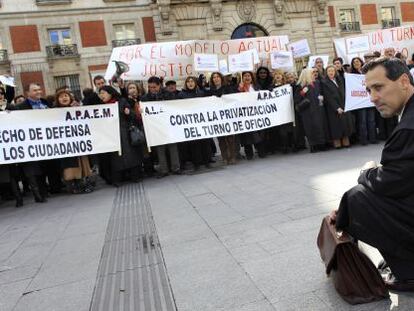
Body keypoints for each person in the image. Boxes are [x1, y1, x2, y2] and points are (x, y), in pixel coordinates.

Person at [330, 58, 414, 291]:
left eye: (379, 87)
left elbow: (391, 184)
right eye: (368, 90)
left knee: (357, 199)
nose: (373, 97)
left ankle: (409, 271)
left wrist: (367, 172)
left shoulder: (409, 127)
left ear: (404, 81)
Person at [9, 83, 49, 202]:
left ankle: (45, 190)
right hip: (30, 143)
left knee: (44, 167)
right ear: (28, 93)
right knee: (34, 170)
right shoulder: (20, 107)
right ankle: (38, 194)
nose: (38, 92)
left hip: (46, 142)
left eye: (39, 89)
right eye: (35, 90)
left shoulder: (45, 103)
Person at [98, 85, 141, 186]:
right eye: (100, 93)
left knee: (131, 156)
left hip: (124, 132)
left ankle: (135, 176)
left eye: (103, 93)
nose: (101, 95)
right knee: (115, 159)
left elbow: (133, 116)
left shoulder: (121, 101)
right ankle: (117, 179)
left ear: (110, 93)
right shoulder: (100, 106)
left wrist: (129, 112)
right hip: (111, 135)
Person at [55, 89, 94, 194]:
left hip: (79, 143)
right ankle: (73, 186)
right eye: (61, 96)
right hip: (66, 145)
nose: (64, 98)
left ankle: (86, 183)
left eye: (66, 96)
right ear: (57, 100)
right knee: (69, 166)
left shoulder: (77, 109)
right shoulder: (53, 112)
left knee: (83, 164)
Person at [141, 76, 180, 177]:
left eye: (154, 87)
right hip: (156, 127)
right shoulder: (145, 98)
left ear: (159, 85)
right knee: (160, 148)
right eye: (150, 87)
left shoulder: (168, 94)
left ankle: (176, 168)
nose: (152, 89)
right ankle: (164, 170)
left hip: (168, 125)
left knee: (172, 146)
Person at [179, 76, 211, 170]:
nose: (190, 83)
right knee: (194, 144)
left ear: (195, 83)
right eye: (188, 81)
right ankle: (197, 163)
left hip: (201, 122)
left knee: (205, 143)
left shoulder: (201, 93)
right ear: (186, 84)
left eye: (192, 81)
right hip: (190, 124)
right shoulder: (181, 95)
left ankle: (207, 161)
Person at [321, 65, 353, 148]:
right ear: (326, 73)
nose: (331, 72)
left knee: (345, 123)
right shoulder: (324, 82)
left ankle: (346, 141)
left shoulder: (340, 79)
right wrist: (336, 107)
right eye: (329, 71)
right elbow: (328, 97)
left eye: (332, 71)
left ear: (335, 72)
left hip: (343, 104)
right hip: (333, 107)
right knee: (336, 125)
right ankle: (337, 143)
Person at [296, 68, 327, 152]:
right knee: (310, 127)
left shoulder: (317, 83)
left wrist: (321, 99)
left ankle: (321, 143)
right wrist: (302, 92)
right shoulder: (301, 86)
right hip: (307, 111)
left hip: (318, 108)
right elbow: (297, 99)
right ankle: (313, 145)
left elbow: (321, 93)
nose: (314, 74)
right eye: (312, 73)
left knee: (320, 126)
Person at [209, 72, 237, 165]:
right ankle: (224, 157)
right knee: (221, 139)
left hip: (227, 116)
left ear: (221, 78)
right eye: (214, 77)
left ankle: (232, 156)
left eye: (217, 77)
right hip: (217, 118)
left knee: (230, 138)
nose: (216, 79)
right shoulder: (210, 91)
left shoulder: (228, 88)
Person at [238, 71, 266, 159]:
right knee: (247, 136)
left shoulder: (256, 87)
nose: (247, 77)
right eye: (245, 76)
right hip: (245, 115)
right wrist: (240, 90)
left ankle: (261, 152)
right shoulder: (238, 88)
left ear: (251, 77)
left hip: (257, 114)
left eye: (248, 76)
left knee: (258, 134)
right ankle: (249, 154)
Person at [351, 57, 377, 145]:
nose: (356, 63)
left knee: (371, 120)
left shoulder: (367, 71)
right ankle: (364, 140)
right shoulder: (351, 74)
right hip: (360, 101)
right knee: (362, 121)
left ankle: (373, 138)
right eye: (354, 62)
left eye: (357, 61)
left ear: (361, 62)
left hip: (369, 100)